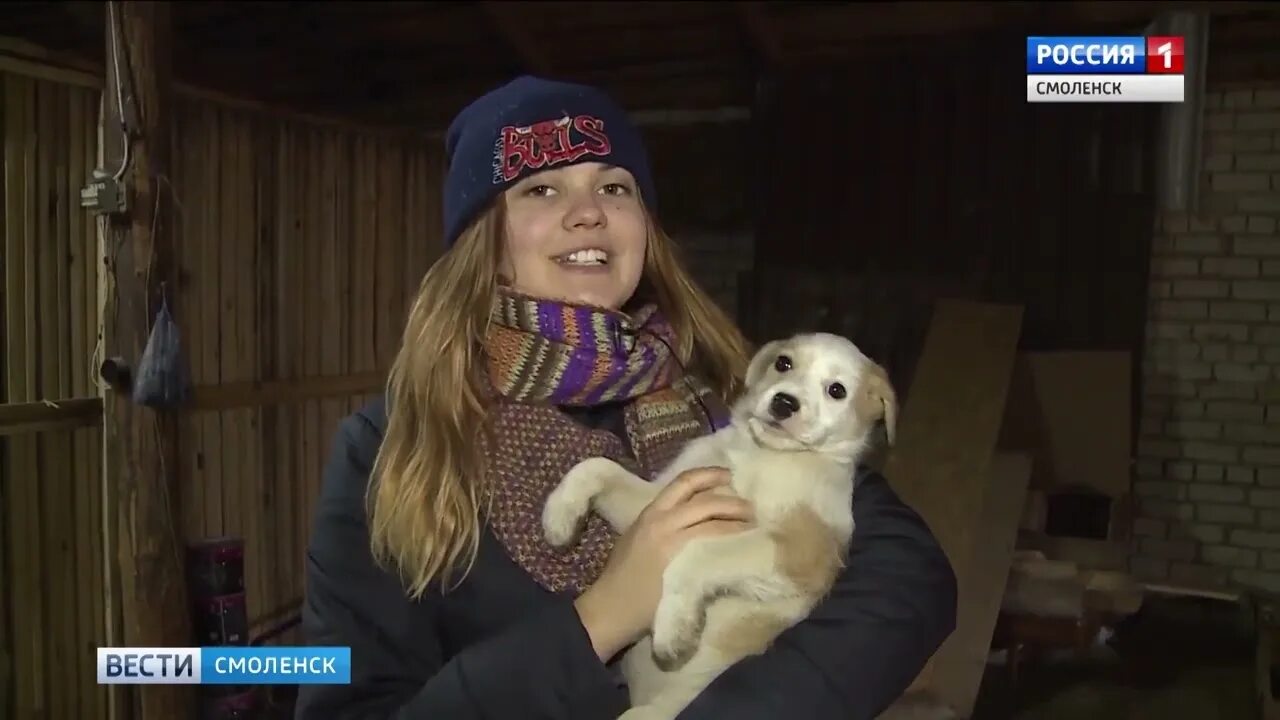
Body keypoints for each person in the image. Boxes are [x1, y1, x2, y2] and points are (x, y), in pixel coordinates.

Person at [295, 76, 957, 720]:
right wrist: (602, 618)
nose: (587, 211)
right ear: (486, 244)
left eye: (614, 186)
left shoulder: (731, 394)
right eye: (542, 187)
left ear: (642, 227)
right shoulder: (390, 449)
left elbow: (910, 578)